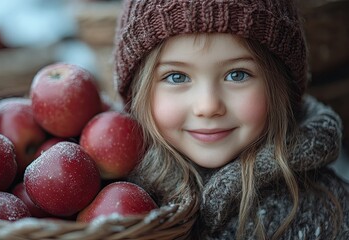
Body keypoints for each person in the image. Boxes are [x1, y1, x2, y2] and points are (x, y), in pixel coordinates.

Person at [112, 0, 349, 239]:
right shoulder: (114, 190)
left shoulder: (328, 212)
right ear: (138, 92)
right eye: (176, 77)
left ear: (280, 86)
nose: (208, 106)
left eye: (237, 75)